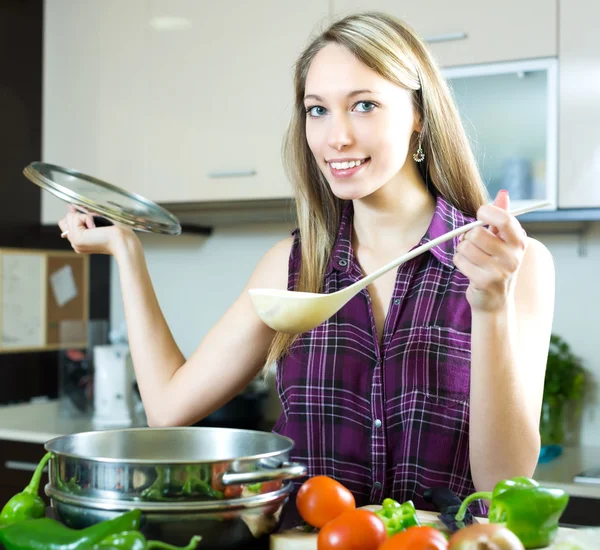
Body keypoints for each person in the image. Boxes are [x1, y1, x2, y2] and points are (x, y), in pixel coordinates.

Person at [58, 11, 554, 516]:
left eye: (364, 105)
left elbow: (504, 483)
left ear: (419, 115)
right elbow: (166, 409)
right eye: (317, 110)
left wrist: (490, 304)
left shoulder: (513, 266)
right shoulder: (290, 267)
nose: (335, 137)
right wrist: (126, 252)